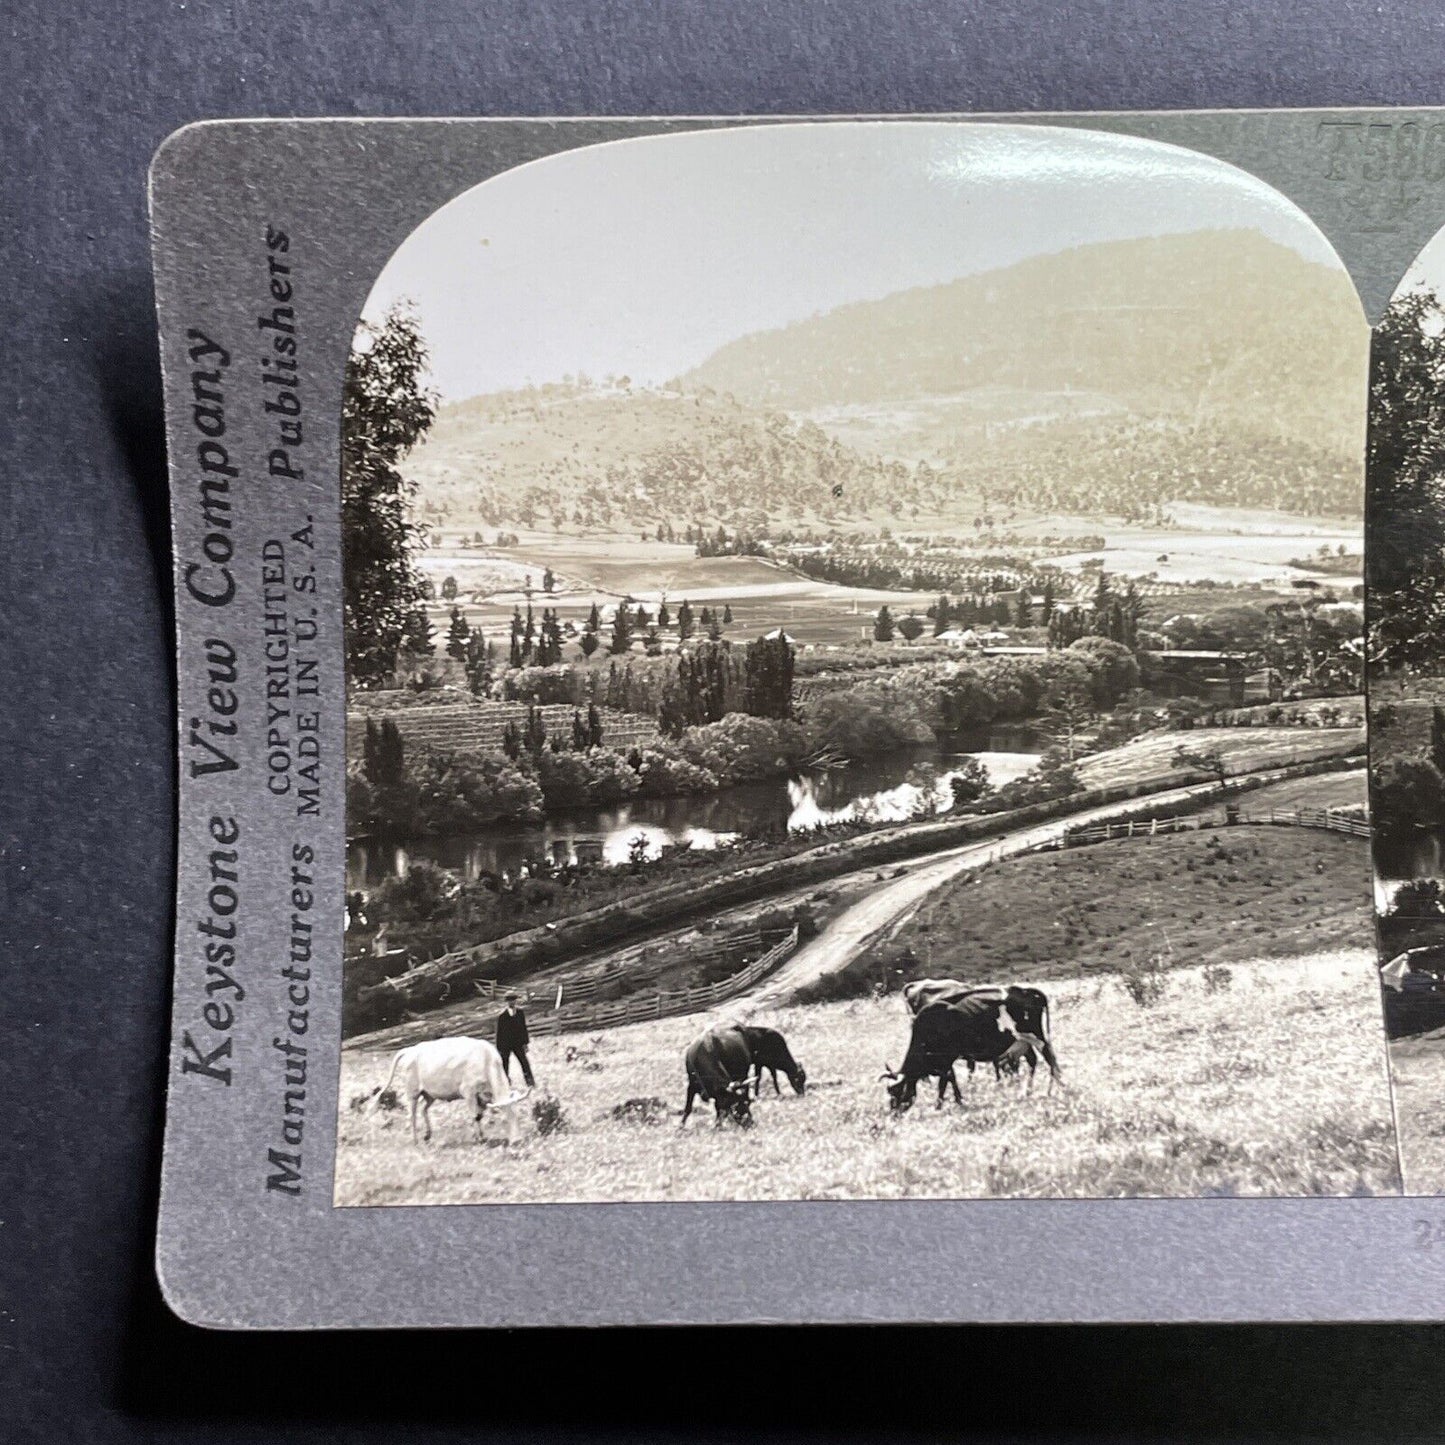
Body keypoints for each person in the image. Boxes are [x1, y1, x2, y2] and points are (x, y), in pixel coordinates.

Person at [496, 994, 535, 1087]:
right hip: (506, 1044)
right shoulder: (502, 1016)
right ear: (507, 1002)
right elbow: (499, 1032)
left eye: (513, 1000)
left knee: (524, 1062)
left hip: (518, 1043)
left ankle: (530, 1082)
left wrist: (525, 1043)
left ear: (515, 1001)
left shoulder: (520, 1013)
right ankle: (505, 1084)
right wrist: (499, 1047)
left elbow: (523, 1028)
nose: (512, 1002)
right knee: (505, 1064)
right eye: (510, 1000)